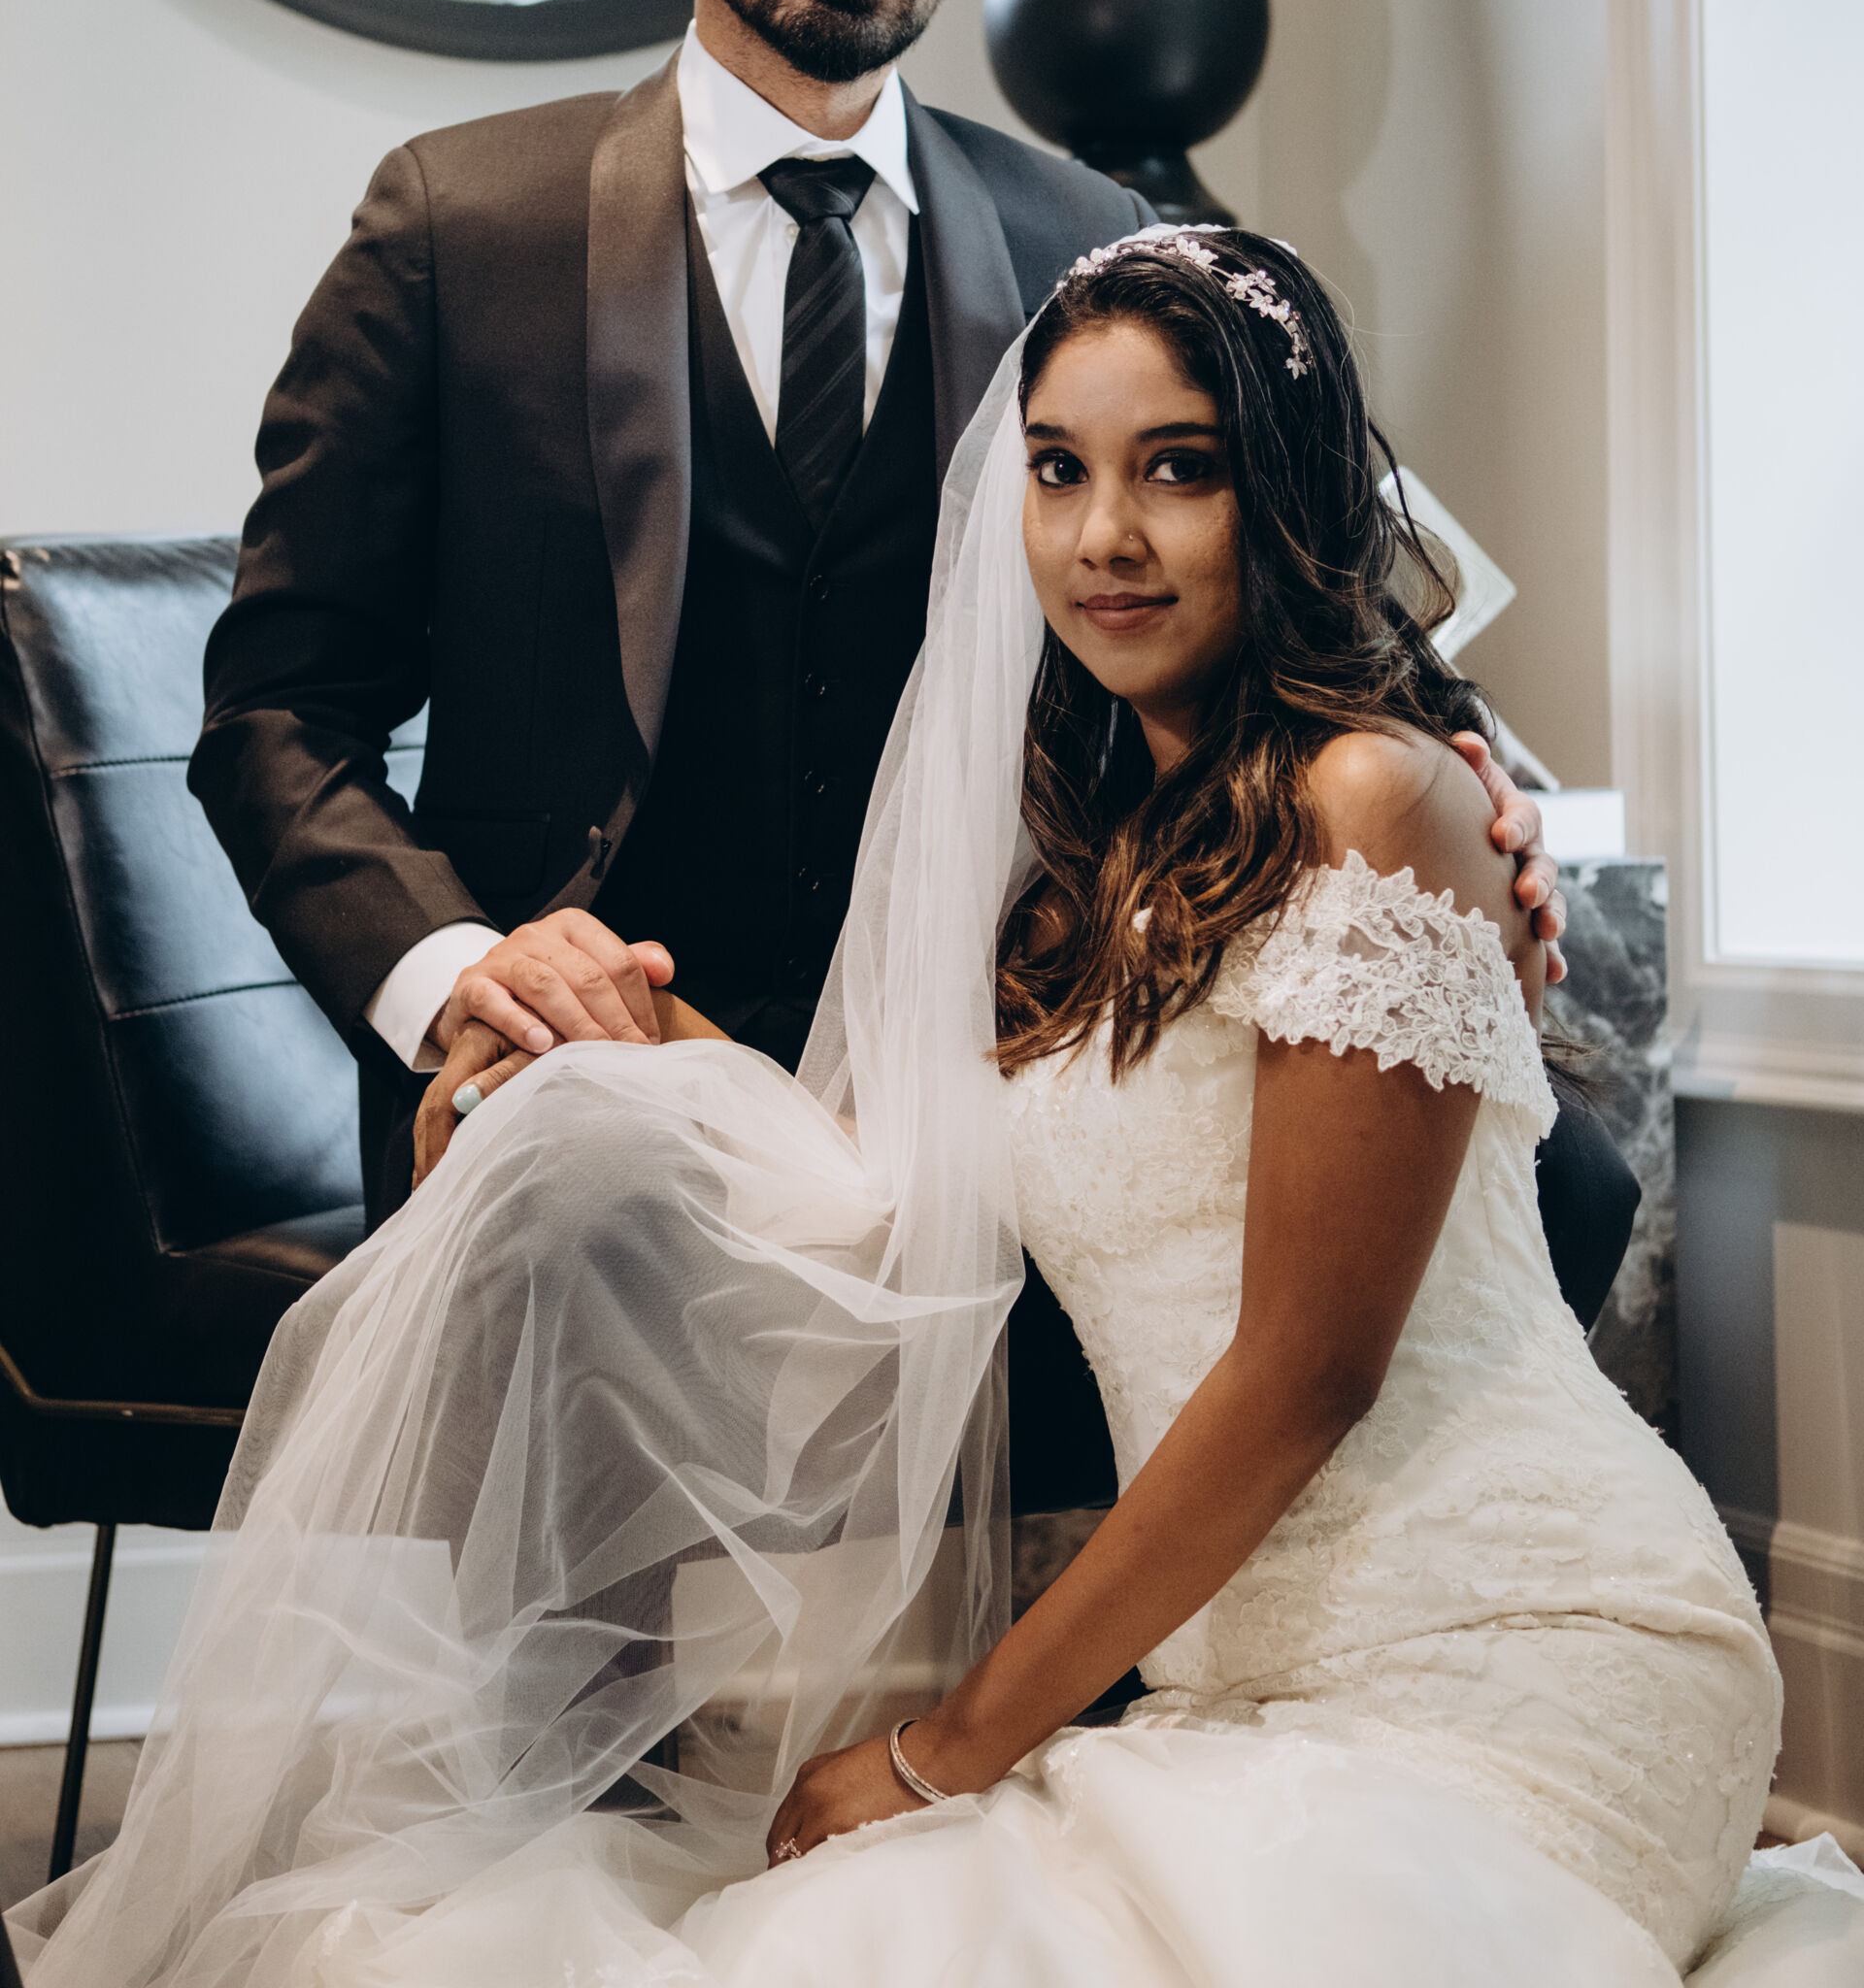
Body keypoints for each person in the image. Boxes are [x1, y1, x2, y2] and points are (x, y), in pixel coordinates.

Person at [8, 228, 1777, 1987]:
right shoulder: (1095, 874)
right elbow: (874, 1180)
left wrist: (946, 1748)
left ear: (1287, 491)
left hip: (1528, 1645)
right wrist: (582, 1026)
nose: (1105, 536)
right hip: (1245, 1684)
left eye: (1180, 469)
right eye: (1060, 470)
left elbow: (1306, 1372)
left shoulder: (1381, 799)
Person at [185, 0, 1611, 1515]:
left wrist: (1476, 792)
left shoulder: (1091, 235)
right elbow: (279, 715)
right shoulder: (460, 228)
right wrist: (462, 973)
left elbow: (1322, 608)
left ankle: (1267, 1648)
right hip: (598, 1071)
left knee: (1564, 1175)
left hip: (1005, 1058)